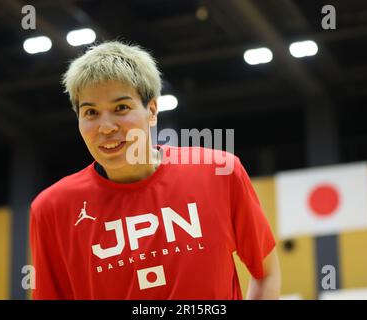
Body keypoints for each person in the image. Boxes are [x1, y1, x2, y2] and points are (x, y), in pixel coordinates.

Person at [29, 40, 281, 300]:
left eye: (121, 108)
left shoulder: (220, 172)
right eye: (91, 112)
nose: (105, 127)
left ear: (151, 110)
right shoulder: (51, 209)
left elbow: (267, 273)